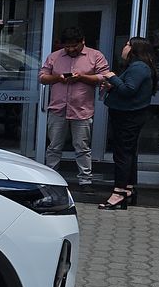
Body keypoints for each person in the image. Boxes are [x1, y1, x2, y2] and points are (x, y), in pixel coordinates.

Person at [39, 27, 110, 186]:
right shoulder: (54, 56)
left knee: (82, 147)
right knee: (54, 147)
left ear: (82, 41)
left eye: (74, 46)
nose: (70, 49)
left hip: (82, 110)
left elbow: (104, 76)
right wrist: (58, 78)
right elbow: (42, 77)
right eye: (67, 46)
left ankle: (85, 181)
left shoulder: (95, 55)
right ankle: (51, 181)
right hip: (58, 109)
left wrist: (82, 77)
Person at [97, 37, 159, 210]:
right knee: (128, 153)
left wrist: (113, 78)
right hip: (128, 115)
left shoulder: (139, 67)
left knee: (122, 154)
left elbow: (128, 90)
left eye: (127, 45)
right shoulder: (138, 67)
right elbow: (130, 88)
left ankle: (118, 193)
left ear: (134, 49)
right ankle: (128, 189)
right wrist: (113, 86)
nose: (124, 47)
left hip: (128, 117)